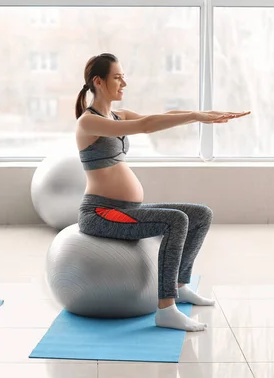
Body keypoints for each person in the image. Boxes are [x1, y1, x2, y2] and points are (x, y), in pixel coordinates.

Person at [75, 53, 250, 332]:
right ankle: (166, 309)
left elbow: (157, 117)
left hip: (126, 210)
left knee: (200, 214)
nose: (124, 83)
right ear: (98, 81)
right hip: (101, 213)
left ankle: (180, 285)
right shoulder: (88, 122)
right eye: (117, 77)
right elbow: (144, 126)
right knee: (176, 220)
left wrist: (202, 116)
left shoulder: (117, 115)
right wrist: (196, 116)